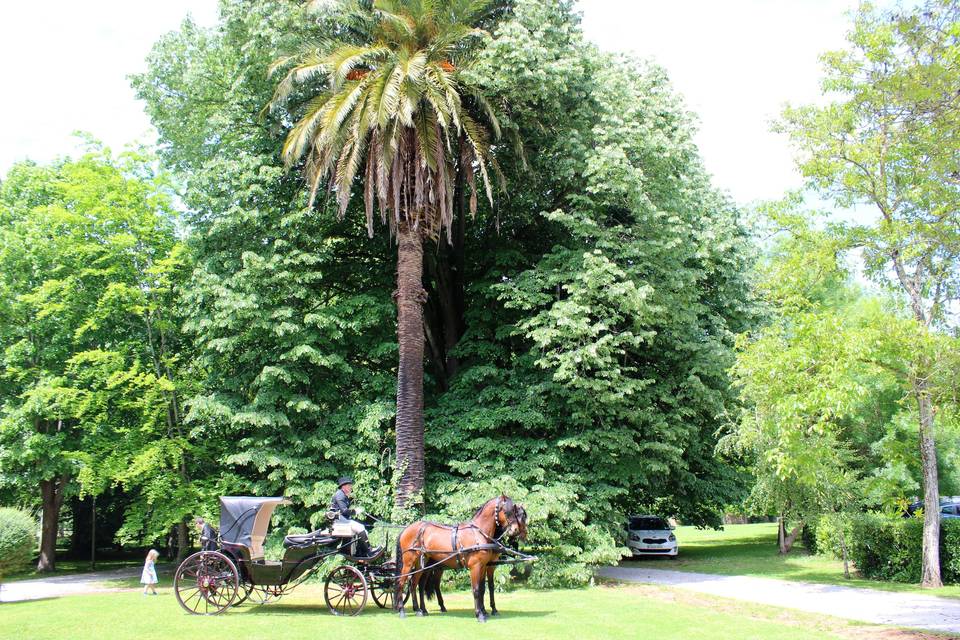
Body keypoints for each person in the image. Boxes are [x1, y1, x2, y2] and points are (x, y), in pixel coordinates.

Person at [330, 476, 382, 560]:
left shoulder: (343, 495)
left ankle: (361, 552)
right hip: (339, 520)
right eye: (349, 485)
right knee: (360, 527)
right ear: (344, 486)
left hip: (343, 519)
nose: (351, 487)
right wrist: (355, 511)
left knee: (363, 530)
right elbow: (344, 511)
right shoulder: (340, 495)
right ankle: (369, 551)